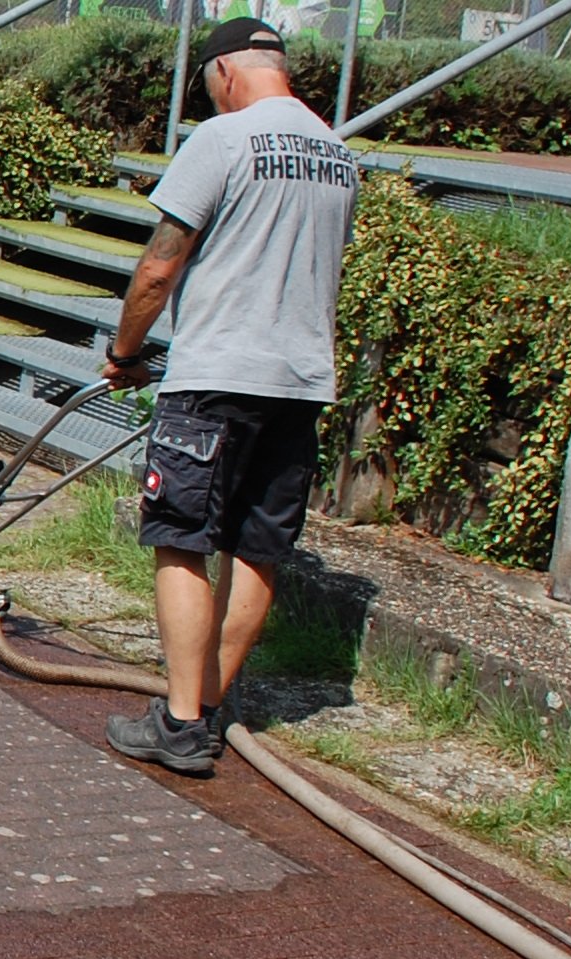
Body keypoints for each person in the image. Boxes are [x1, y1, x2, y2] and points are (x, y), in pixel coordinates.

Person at [95, 16, 359, 776]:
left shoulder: (222, 140)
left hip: (214, 380)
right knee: (256, 548)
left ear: (224, 73)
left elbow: (158, 268)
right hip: (300, 382)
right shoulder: (338, 157)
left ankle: (178, 726)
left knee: (180, 536)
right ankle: (206, 708)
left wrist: (124, 353)